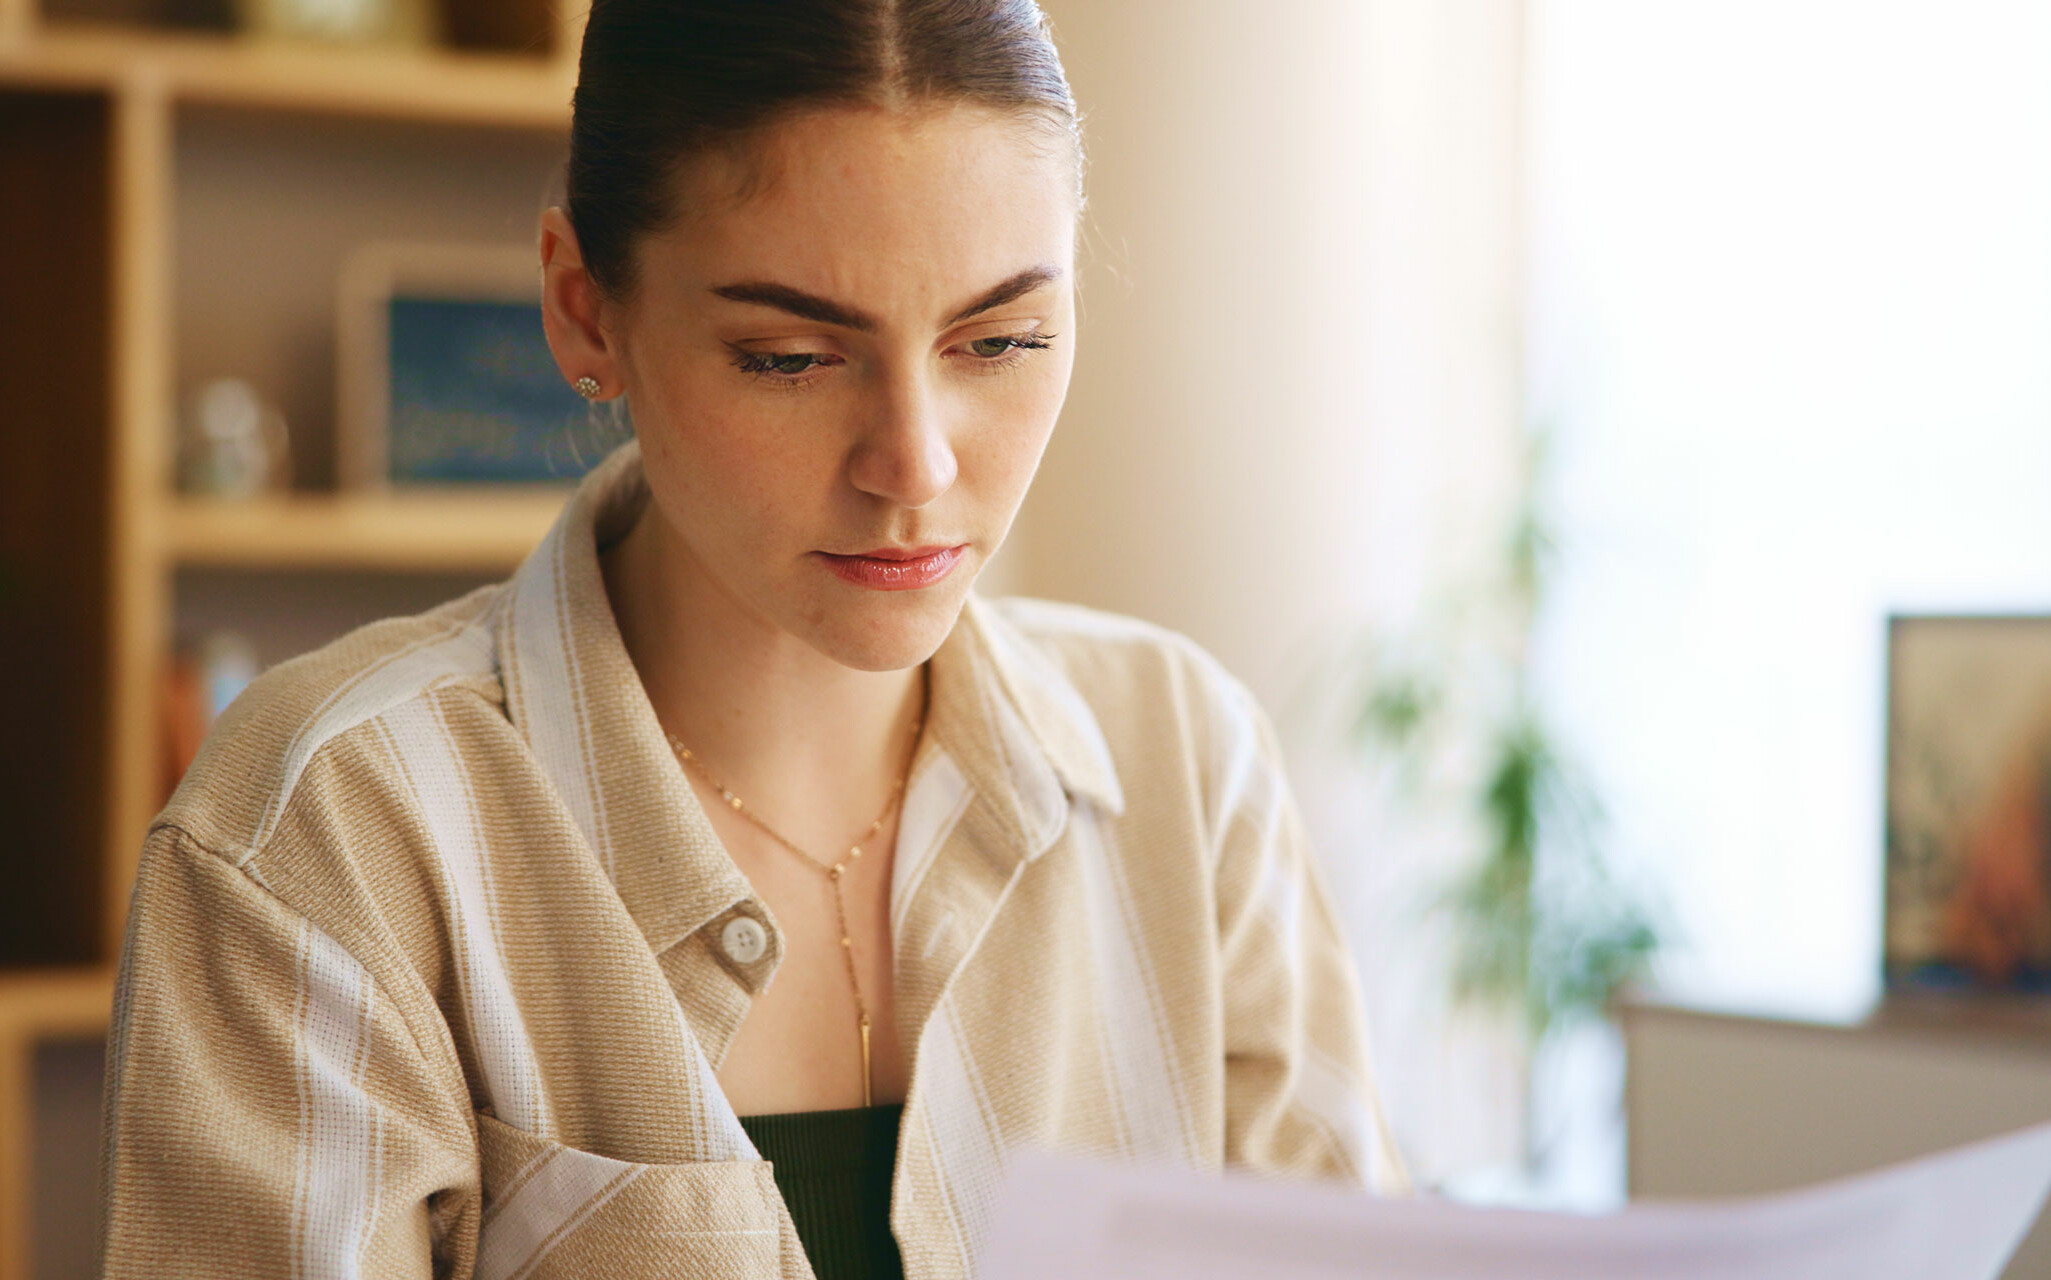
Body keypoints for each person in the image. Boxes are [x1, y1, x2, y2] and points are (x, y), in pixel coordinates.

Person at [98, 2, 1409, 1276]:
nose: (914, 462)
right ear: (583, 310)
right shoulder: (330, 833)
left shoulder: (1185, 757)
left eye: (1001, 339)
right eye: (790, 356)